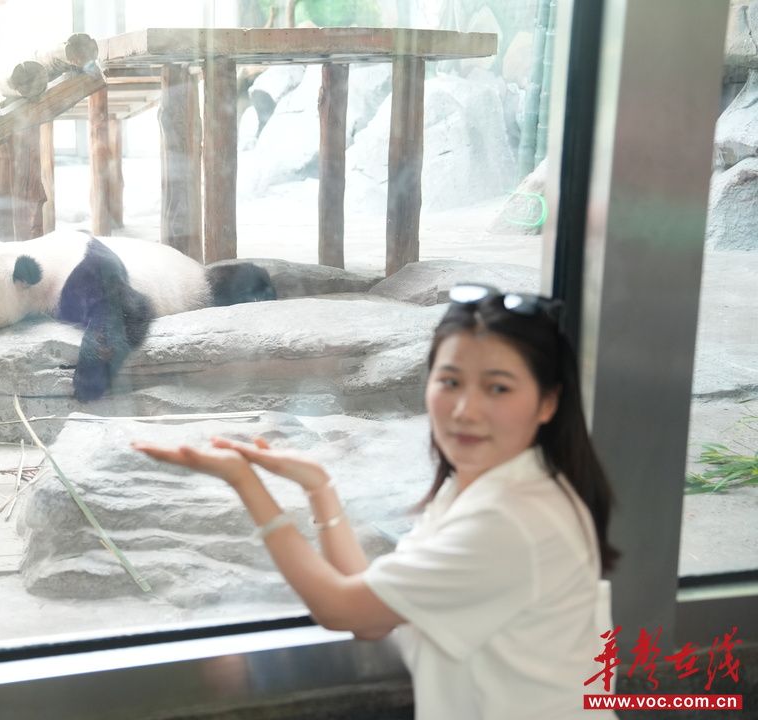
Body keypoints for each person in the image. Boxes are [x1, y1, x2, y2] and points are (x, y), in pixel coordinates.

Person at [132, 283, 619, 720]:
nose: (465, 410)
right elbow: (373, 611)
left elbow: (344, 610)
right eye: (450, 382)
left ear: (548, 402)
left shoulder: (509, 520)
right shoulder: (483, 486)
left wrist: (246, 484)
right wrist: (320, 488)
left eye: (498, 388)